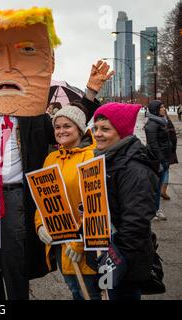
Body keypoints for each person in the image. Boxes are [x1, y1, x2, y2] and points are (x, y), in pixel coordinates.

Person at [0, 7, 114, 300]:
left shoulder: (35, 120)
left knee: (13, 261)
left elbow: (71, 121)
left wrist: (91, 92)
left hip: (15, 198)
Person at [92, 103, 159, 300]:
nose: (97, 134)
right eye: (95, 128)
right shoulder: (109, 158)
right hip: (111, 253)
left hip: (125, 260)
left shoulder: (135, 169)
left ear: (121, 131)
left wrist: (113, 262)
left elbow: (136, 222)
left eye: (105, 129)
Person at [35, 105, 100, 300]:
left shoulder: (93, 156)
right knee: (75, 291)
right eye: (57, 127)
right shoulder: (51, 158)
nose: (61, 131)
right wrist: (39, 225)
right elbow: (42, 198)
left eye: (67, 126)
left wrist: (80, 242)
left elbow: (96, 205)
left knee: (90, 294)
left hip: (86, 246)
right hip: (59, 243)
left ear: (79, 129)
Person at [144, 100, 172, 221]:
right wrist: (161, 160)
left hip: (164, 158)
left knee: (157, 186)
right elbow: (153, 145)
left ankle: (155, 209)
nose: (163, 108)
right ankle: (154, 211)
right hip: (158, 160)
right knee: (155, 187)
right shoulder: (152, 124)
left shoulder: (160, 121)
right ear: (155, 109)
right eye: (161, 107)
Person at [161, 107, 178, 200]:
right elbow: (174, 137)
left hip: (164, 150)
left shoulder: (155, 122)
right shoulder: (167, 122)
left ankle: (161, 190)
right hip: (166, 150)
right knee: (165, 170)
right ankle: (163, 190)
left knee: (162, 170)